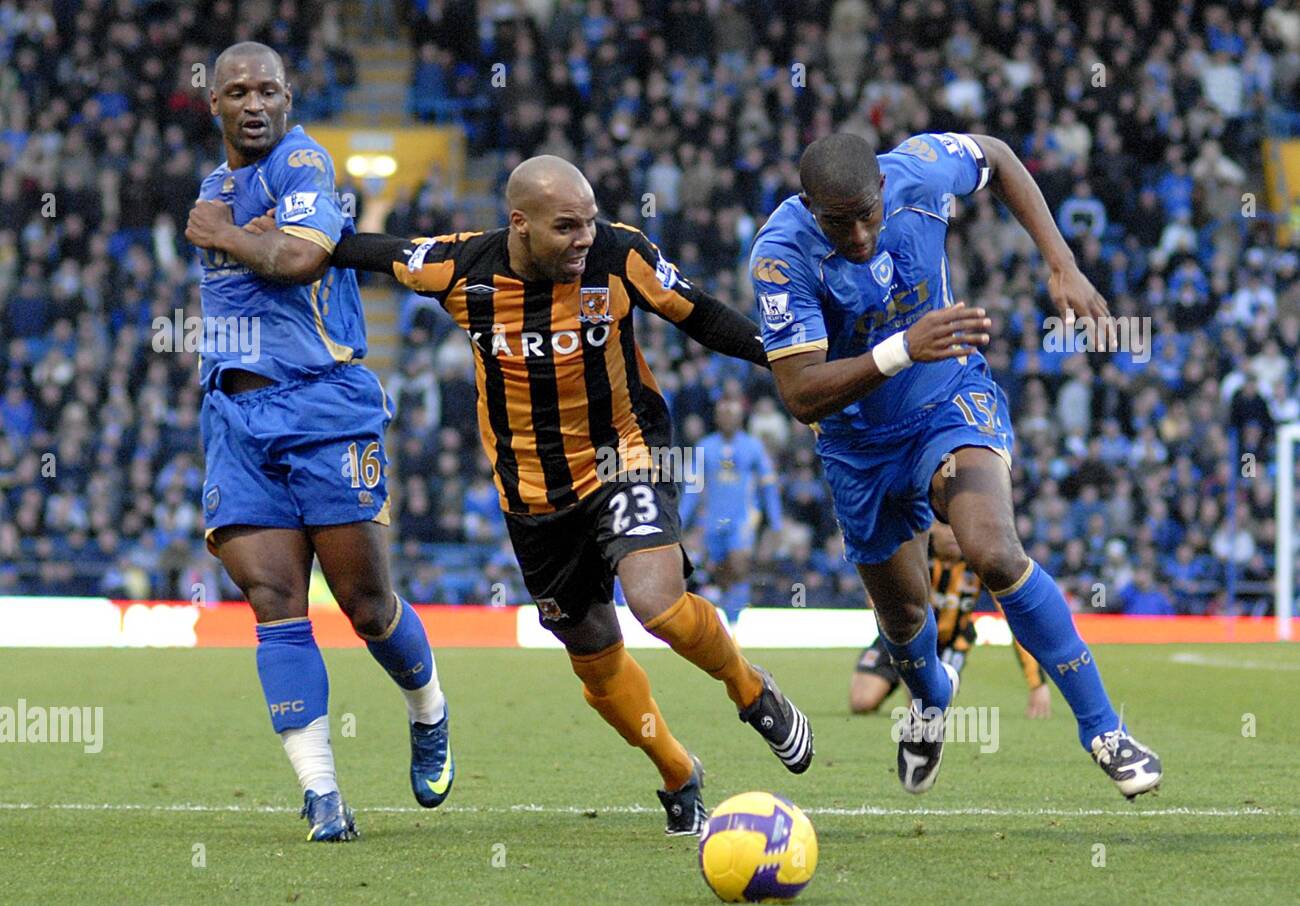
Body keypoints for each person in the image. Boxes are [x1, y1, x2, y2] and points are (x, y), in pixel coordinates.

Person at [301, 154, 812, 835]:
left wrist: (791, 366)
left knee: (656, 604)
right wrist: (263, 238)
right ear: (521, 224)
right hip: (533, 497)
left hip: (623, 456)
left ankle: (750, 689)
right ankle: (676, 771)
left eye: (589, 222)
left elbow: (703, 316)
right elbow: (354, 250)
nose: (583, 239)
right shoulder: (459, 269)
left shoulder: (621, 255)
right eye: (567, 227)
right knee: (596, 660)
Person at [750, 131, 1161, 799]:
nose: (856, 234)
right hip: (857, 445)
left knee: (994, 551)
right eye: (837, 220)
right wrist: (901, 349)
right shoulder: (779, 255)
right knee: (906, 617)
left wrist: (1060, 261)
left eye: (866, 213)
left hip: (949, 401)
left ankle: (1105, 729)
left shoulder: (919, 172)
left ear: (883, 190)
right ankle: (931, 700)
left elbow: (997, 156)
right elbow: (799, 394)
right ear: (809, 206)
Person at [182, 42, 452, 843]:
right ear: (215, 106)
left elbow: (299, 258)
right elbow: (272, 259)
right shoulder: (214, 189)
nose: (254, 102)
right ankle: (323, 795)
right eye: (238, 92)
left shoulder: (305, 165)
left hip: (325, 408)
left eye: (268, 89)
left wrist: (232, 237)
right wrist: (241, 232)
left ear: (290, 99)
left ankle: (428, 709)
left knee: (365, 603)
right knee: (273, 602)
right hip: (237, 415)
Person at [849, 523, 1050, 719]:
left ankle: (930, 683)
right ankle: (910, 673)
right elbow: (878, 595)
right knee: (861, 702)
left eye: (958, 524)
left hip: (950, 643)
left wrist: (1037, 684)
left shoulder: (981, 561)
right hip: (901, 635)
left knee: (926, 707)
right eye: (945, 524)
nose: (953, 533)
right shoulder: (913, 551)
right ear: (932, 526)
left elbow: (1014, 618)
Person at [679, 397, 783, 621]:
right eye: (723, 414)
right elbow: (693, 488)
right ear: (716, 417)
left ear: (740, 417)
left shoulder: (753, 447)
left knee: (739, 564)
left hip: (742, 518)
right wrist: (679, 520)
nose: (728, 418)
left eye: (732, 414)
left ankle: (738, 622)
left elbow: (768, 485)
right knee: (720, 571)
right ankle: (728, 617)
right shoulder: (705, 446)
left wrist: (776, 522)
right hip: (713, 519)